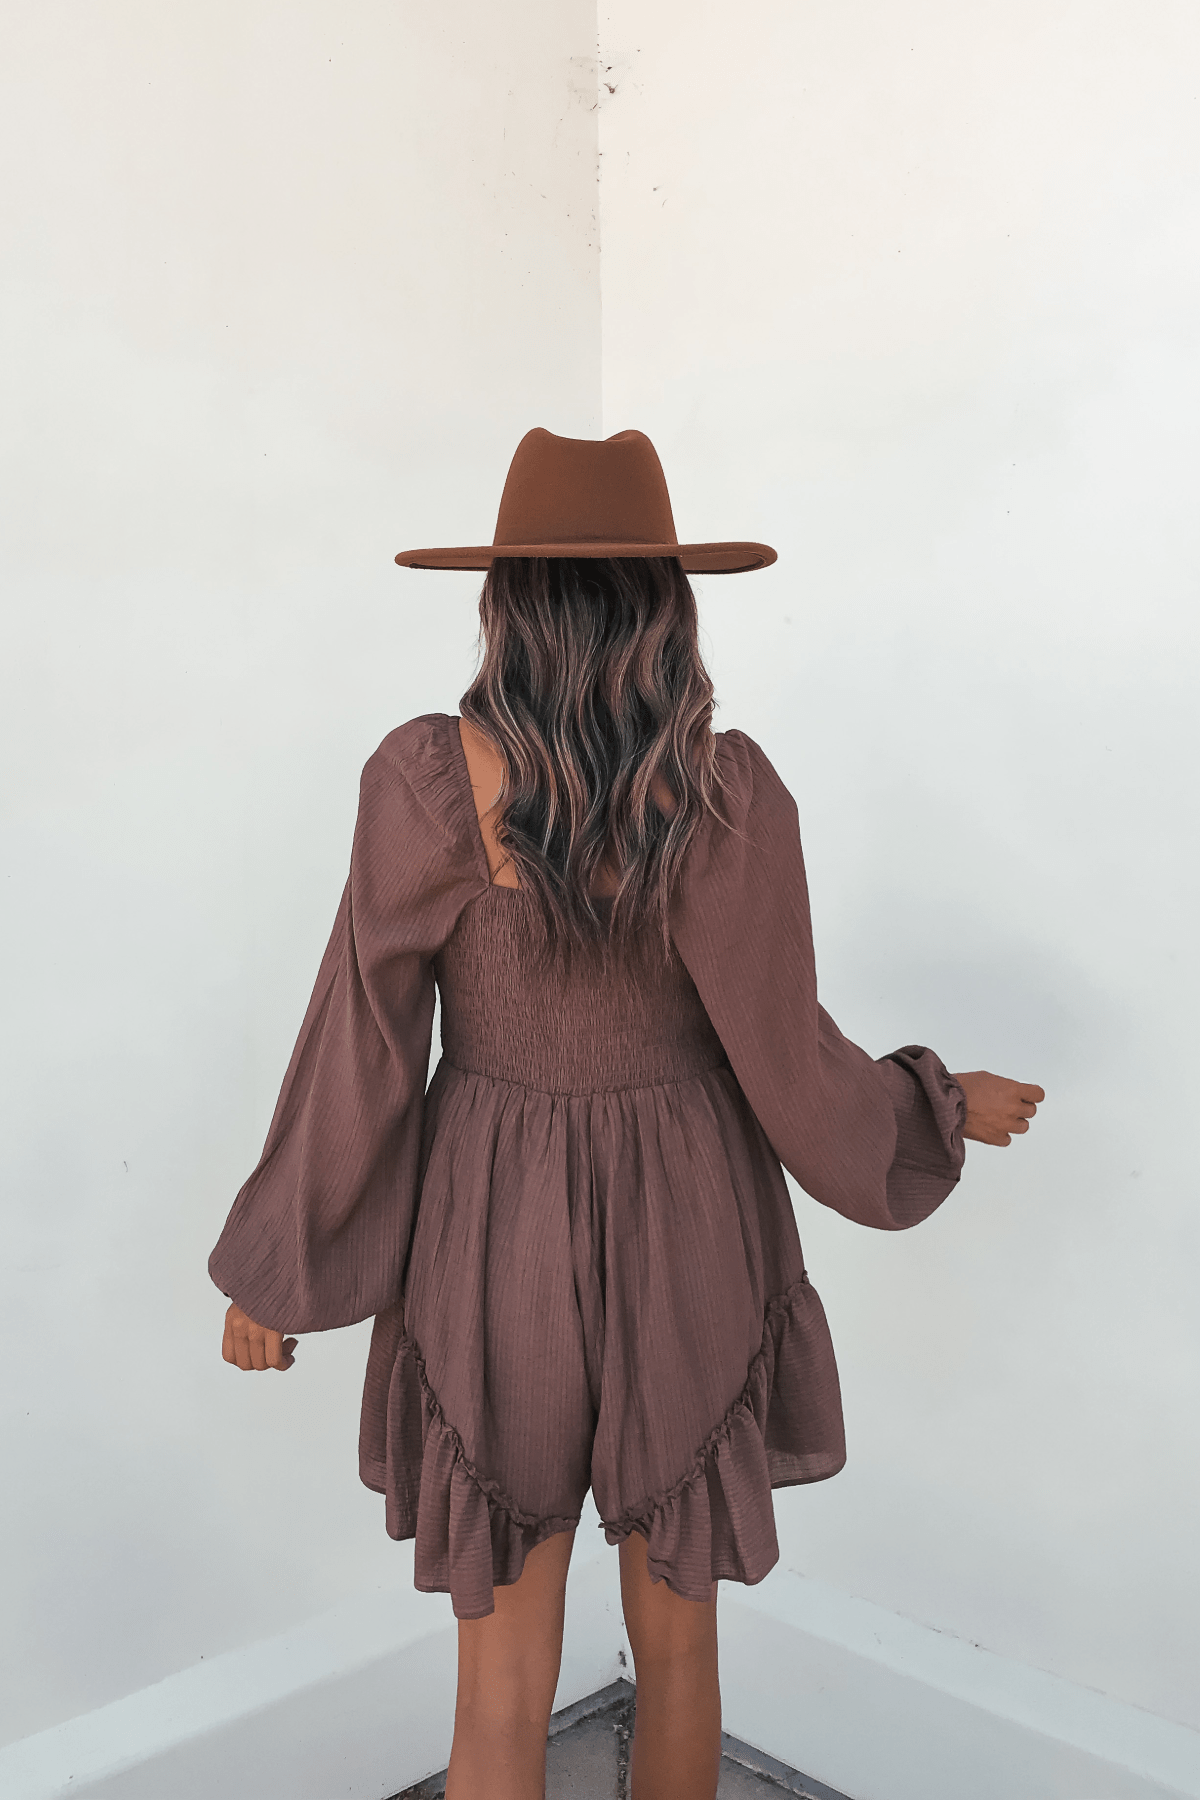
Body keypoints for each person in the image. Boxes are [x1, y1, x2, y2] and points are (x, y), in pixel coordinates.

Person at [209, 428, 1044, 1800]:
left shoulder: (425, 782)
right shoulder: (724, 791)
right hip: (692, 1218)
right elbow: (789, 1055)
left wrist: (277, 1270)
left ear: (505, 600)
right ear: (667, 602)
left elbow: (360, 1042)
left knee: (499, 1687)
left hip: (490, 1227)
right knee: (682, 1654)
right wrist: (931, 1108)